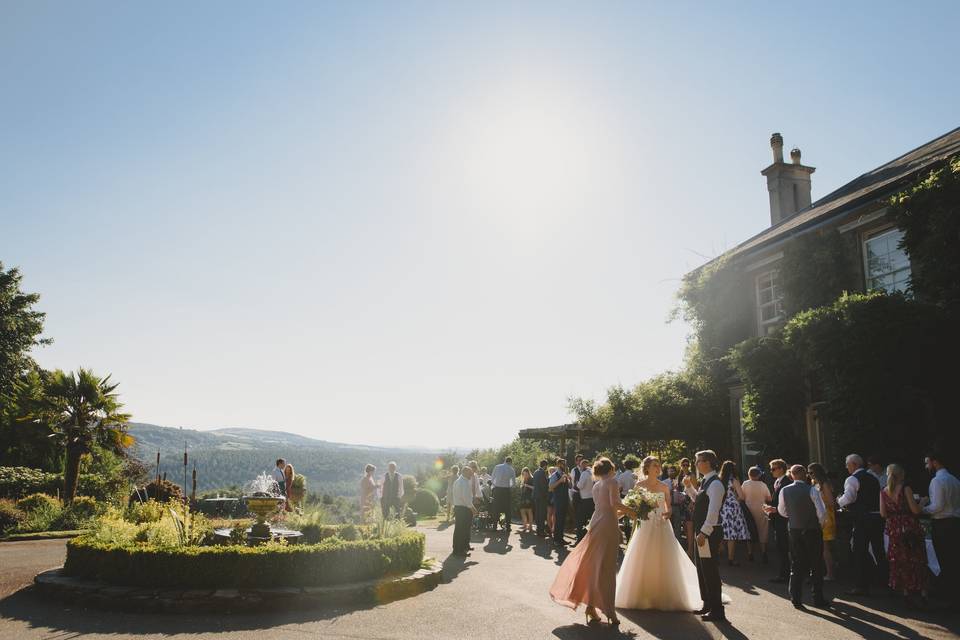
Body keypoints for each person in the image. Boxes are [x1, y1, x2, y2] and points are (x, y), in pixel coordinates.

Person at [617, 456, 715, 612]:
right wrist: (633, 513)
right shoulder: (639, 485)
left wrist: (668, 513)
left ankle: (664, 594)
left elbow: (667, 506)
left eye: (658, 465)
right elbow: (632, 505)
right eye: (654, 465)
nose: (657, 468)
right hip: (646, 525)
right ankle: (642, 594)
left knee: (664, 557)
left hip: (662, 525)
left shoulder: (663, 486)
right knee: (644, 556)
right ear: (647, 468)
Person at [550, 457, 635, 626]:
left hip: (596, 524)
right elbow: (615, 504)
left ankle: (591, 606)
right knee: (608, 568)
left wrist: (625, 513)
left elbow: (606, 508)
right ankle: (609, 611)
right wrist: (634, 511)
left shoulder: (597, 485)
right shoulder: (612, 482)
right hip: (607, 526)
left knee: (595, 565)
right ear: (611, 469)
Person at [777, 465, 829, 609]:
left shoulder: (784, 490)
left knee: (796, 563)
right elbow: (821, 511)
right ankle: (817, 598)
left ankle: (795, 597)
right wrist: (821, 524)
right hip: (812, 530)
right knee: (816, 564)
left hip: (794, 529)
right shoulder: (812, 489)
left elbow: (782, 511)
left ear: (791, 475)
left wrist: (794, 517)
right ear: (804, 474)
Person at [837, 453, 886, 595]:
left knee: (859, 551)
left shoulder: (852, 479)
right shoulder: (873, 478)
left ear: (854, 465)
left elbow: (849, 498)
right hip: (876, 517)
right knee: (879, 550)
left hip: (862, 518)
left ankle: (861, 585)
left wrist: (839, 500)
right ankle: (885, 582)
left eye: (848, 465)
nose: (846, 468)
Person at [687, 450, 727, 623]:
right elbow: (699, 500)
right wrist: (689, 487)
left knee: (710, 570)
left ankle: (717, 610)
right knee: (702, 569)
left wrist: (704, 532)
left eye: (698, 461)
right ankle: (707, 604)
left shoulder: (716, 484)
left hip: (708, 532)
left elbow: (713, 511)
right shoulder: (706, 481)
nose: (696, 464)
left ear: (708, 462)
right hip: (702, 530)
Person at [881, 463, 928, 606]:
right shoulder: (905, 488)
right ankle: (922, 592)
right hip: (908, 525)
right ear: (901, 474)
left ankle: (906, 592)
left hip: (894, 527)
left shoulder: (884, 491)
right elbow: (915, 510)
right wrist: (923, 502)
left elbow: (883, 513)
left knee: (900, 560)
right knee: (916, 558)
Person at [921, 451, 960, 604]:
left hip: (942, 523)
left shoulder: (937, 481)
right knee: (953, 559)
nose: (926, 466)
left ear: (935, 462)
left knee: (943, 559)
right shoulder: (955, 480)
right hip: (954, 522)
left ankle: (947, 595)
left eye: (927, 462)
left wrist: (922, 508)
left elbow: (937, 506)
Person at [765, 458, 793, 583]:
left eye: (774, 469)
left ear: (781, 469)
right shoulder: (777, 482)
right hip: (777, 519)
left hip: (783, 520)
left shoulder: (786, 482)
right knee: (781, 547)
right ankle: (784, 573)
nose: (771, 472)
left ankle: (785, 575)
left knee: (784, 547)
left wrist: (774, 509)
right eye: (771, 469)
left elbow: (788, 503)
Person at [807, 463, 837, 581]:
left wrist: (819, 501)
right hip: (819, 515)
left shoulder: (824, 483)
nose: (809, 475)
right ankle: (827, 570)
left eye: (811, 473)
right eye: (808, 473)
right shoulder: (815, 484)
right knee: (822, 546)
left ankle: (830, 573)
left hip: (826, 515)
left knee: (825, 547)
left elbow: (830, 502)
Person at [719, 460, 750, 566]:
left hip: (721, 508)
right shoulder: (734, 480)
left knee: (722, 531)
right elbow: (742, 496)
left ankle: (721, 551)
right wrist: (735, 497)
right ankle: (731, 558)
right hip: (733, 508)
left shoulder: (719, 480)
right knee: (732, 534)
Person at [742, 466, 772, 564]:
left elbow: (742, 496)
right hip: (761, 509)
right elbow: (769, 498)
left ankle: (750, 553)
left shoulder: (745, 484)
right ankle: (763, 552)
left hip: (748, 510)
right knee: (762, 530)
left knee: (749, 530)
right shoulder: (763, 485)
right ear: (759, 475)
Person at [452, 466, 478, 556]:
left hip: (459, 508)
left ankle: (465, 546)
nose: (472, 475)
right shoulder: (463, 482)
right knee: (462, 530)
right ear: (465, 472)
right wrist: (473, 509)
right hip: (463, 509)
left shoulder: (460, 481)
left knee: (464, 528)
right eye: (470, 473)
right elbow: (466, 498)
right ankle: (459, 550)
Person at [549, 459, 571, 546]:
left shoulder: (564, 474)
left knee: (562, 520)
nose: (565, 465)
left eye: (565, 464)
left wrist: (569, 480)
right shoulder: (555, 475)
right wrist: (560, 481)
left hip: (565, 500)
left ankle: (561, 538)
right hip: (558, 500)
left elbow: (570, 486)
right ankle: (556, 540)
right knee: (558, 520)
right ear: (558, 465)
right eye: (563, 464)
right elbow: (550, 487)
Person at [491, 456, 516, 533]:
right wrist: (509, 486)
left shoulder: (497, 467)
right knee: (507, 509)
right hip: (506, 490)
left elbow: (492, 478)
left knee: (496, 508)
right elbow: (513, 483)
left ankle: (494, 526)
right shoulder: (511, 469)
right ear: (510, 462)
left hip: (497, 489)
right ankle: (508, 527)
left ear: (505, 460)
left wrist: (495, 485)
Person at [617, 458, 639, 540]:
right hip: (635, 498)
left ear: (624, 466)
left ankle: (628, 535)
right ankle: (634, 536)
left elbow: (619, 488)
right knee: (634, 518)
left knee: (626, 519)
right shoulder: (635, 476)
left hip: (624, 497)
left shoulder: (622, 476)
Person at [575, 458, 595, 544]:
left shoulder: (584, 474)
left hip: (584, 499)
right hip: (592, 499)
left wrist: (576, 483)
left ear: (583, 465)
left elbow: (580, 486)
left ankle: (580, 539)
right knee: (591, 520)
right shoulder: (592, 473)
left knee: (581, 520)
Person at [532, 460, 550, 536]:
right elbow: (543, 486)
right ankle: (541, 531)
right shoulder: (542, 473)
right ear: (545, 465)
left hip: (536, 495)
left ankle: (538, 529)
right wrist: (547, 494)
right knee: (542, 514)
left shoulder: (535, 472)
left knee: (537, 513)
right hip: (542, 496)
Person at [519, 467, 535, 532]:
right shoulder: (523, 479)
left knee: (529, 512)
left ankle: (530, 526)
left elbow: (534, 488)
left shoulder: (532, 479)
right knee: (522, 511)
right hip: (523, 497)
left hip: (529, 497)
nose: (524, 475)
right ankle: (525, 526)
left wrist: (527, 485)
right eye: (523, 474)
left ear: (528, 473)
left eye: (526, 474)